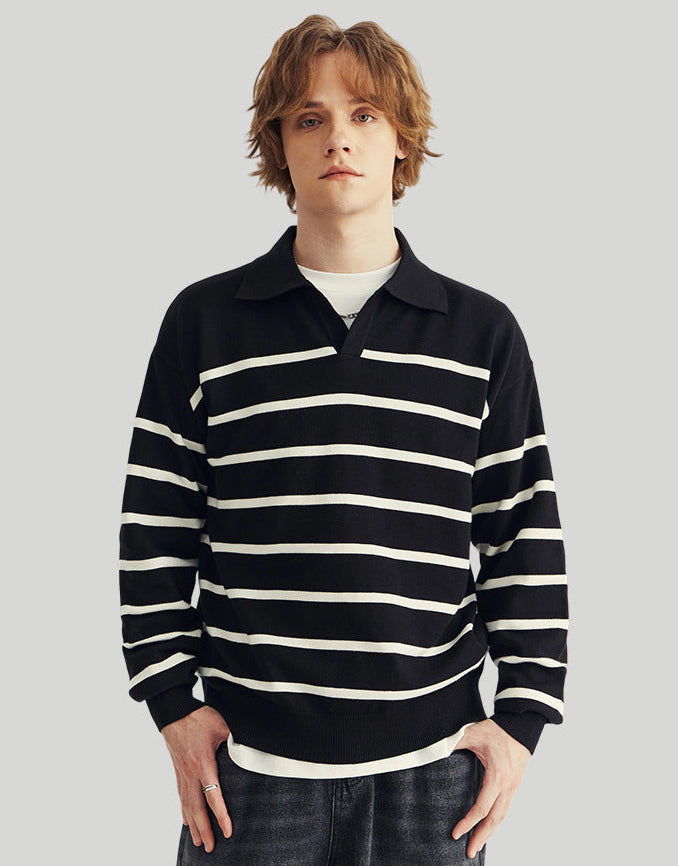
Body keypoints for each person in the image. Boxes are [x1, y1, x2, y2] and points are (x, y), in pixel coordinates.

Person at [119, 14, 568, 865]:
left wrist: (521, 721)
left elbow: (521, 536)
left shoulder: (480, 334)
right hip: (247, 774)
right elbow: (156, 528)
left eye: (364, 114)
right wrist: (171, 705)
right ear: (278, 146)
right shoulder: (204, 323)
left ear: (402, 141)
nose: (338, 138)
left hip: (434, 777)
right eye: (309, 117)